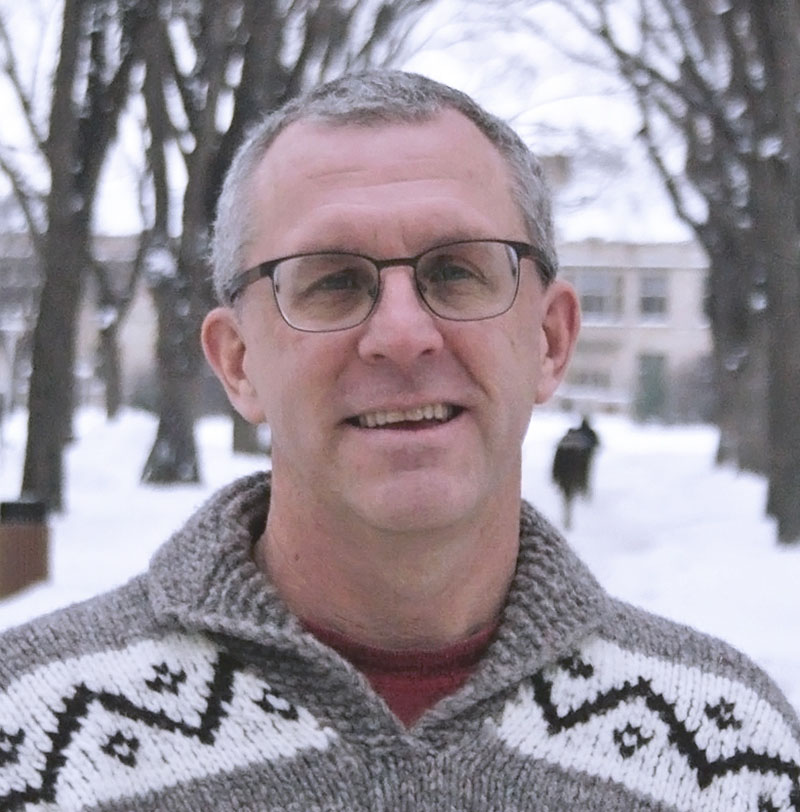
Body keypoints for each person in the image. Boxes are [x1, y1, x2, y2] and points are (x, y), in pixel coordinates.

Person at [0, 71, 798, 812]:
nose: (404, 335)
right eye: (334, 280)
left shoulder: (729, 755)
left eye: (456, 272)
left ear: (551, 341)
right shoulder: (28, 739)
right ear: (238, 364)